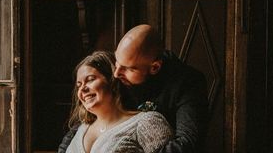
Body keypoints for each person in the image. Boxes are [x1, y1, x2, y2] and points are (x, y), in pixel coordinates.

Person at [59, 25, 208, 153]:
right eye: (116, 62)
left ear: (154, 67)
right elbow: (83, 124)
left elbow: (188, 143)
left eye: (127, 69)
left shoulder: (187, 82)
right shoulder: (121, 71)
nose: (116, 74)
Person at [64, 50, 173, 153]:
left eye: (90, 79)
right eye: (79, 85)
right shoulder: (81, 128)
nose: (82, 89)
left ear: (112, 80)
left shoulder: (147, 123)